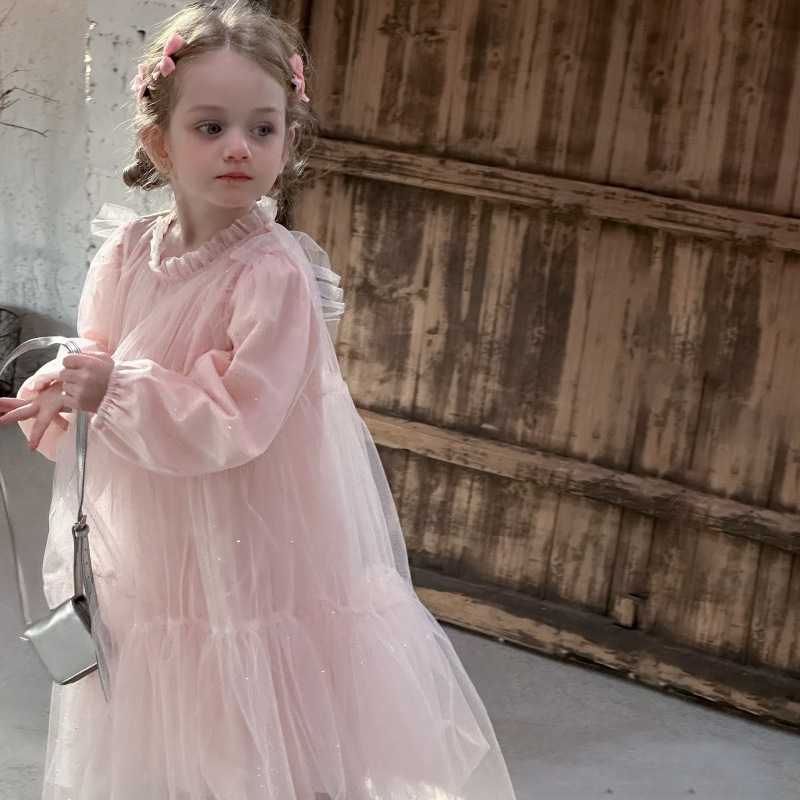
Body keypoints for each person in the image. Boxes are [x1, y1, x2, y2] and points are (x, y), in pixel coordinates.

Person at [0, 3, 518, 799]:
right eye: (210, 127)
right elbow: (101, 356)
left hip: (248, 536)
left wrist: (115, 388)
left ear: (287, 141)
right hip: (153, 534)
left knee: (247, 715)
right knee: (161, 702)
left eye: (263, 128)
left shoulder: (271, 274)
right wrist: (61, 388)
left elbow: (238, 418)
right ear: (159, 142)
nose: (239, 146)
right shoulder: (125, 253)